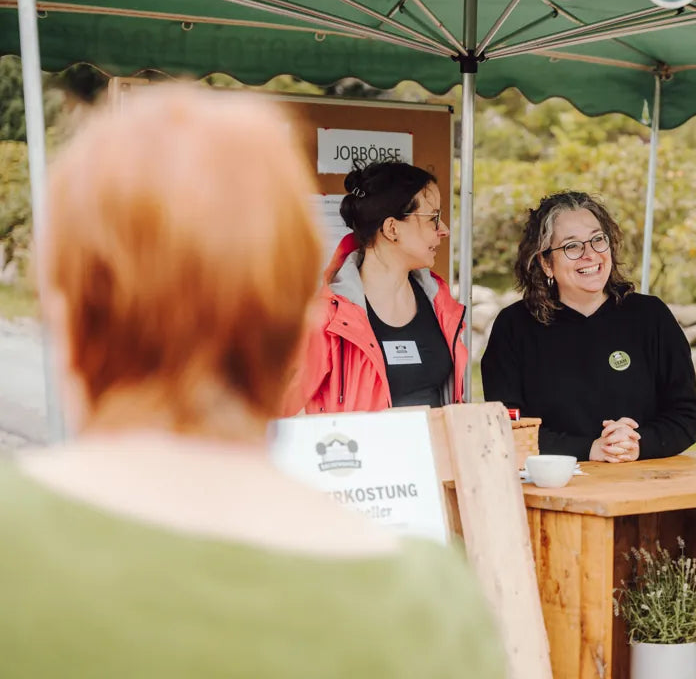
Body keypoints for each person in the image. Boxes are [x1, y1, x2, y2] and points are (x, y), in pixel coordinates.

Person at [0, 86, 505, 679]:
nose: (442, 229)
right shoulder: (436, 605)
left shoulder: (18, 553)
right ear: (291, 308)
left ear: (68, 307)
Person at [481, 191, 696, 463]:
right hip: (554, 487)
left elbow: (686, 415)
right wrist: (590, 448)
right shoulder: (514, 327)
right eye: (572, 246)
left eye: (598, 240)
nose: (590, 255)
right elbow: (509, 427)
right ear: (545, 262)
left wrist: (638, 443)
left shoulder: (650, 316)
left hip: (645, 483)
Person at [289, 159, 466, 414]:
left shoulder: (441, 303)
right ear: (392, 228)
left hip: (435, 453)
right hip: (357, 453)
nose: (444, 230)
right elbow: (275, 411)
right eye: (433, 218)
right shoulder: (326, 319)